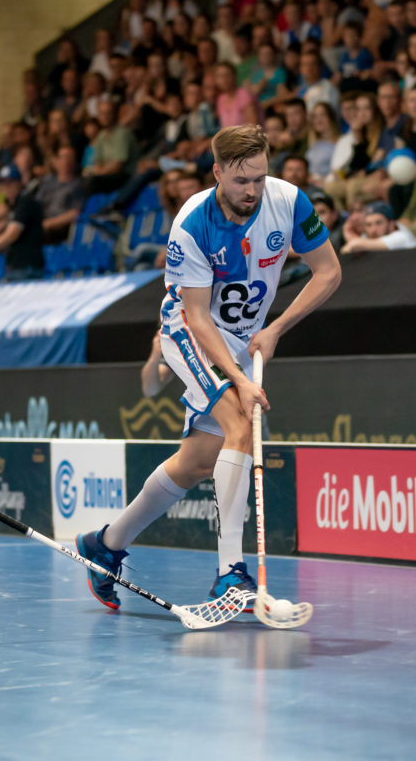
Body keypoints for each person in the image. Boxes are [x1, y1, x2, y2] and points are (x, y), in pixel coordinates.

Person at [75, 124, 341, 611]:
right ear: (217, 172)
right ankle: (229, 576)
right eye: (241, 181)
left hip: (241, 339)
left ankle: (104, 544)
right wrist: (238, 379)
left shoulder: (289, 201)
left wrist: (276, 328)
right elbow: (197, 317)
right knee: (240, 424)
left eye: (259, 178)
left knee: (197, 462)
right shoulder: (193, 222)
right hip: (191, 333)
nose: (252, 191)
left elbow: (329, 271)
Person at [341, 200, 416, 251]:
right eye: (368, 225)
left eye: (378, 223)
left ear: (391, 224)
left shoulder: (402, 237)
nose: (373, 230)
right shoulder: (366, 238)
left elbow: (355, 244)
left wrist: (350, 237)